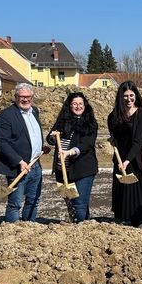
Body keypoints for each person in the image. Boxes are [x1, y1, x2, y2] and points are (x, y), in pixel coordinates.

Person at [107, 81, 142, 228]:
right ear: (120, 97)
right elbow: (114, 135)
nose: (129, 99)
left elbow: (138, 141)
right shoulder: (113, 116)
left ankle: (139, 224)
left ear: (136, 96)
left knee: (139, 195)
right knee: (125, 195)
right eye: (125, 96)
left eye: (131, 95)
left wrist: (128, 160)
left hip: (138, 160)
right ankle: (127, 224)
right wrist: (113, 141)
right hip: (120, 158)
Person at [0, 83, 44, 223]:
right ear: (16, 97)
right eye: (22, 97)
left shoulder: (34, 111)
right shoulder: (6, 115)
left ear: (32, 97)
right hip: (18, 167)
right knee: (15, 203)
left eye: (28, 97)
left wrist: (42, 147)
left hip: (35, 165)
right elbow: (2, 142)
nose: (25, 100)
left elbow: (31, 136)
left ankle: (29, 229)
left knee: (33, 200)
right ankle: (13, 233)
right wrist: (19, 161)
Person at [47, 92, 99, 223]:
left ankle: (79, 228)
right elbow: (50, 137)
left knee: (79, 204)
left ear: (85, 105)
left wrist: (70, 152)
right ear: (69, 106)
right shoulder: (63, 121)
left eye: (80, 104)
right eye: (74, 104)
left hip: (83, 170)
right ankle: (83, 225)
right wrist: (52, 137)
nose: (78, 106)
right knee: (70, 203)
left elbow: (87, 143)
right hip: (62, 170)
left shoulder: (90, 123)